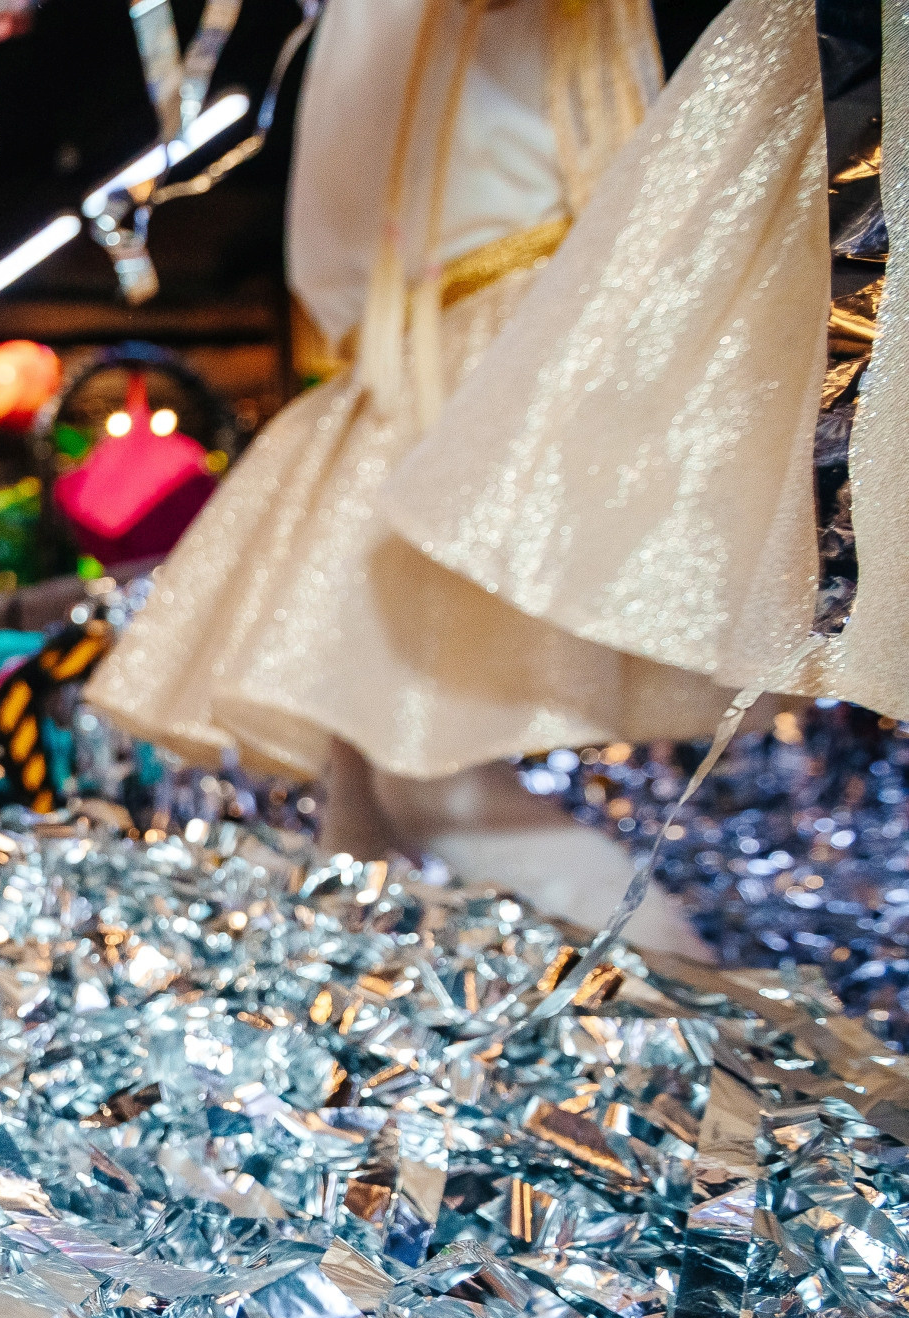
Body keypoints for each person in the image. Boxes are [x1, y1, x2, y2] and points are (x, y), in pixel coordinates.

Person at [84, 0, 828, 961]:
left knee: (426, 785)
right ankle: (350, 1003)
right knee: (355, 768)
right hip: (411, 352)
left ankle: (692, 1014)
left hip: (484, 349)